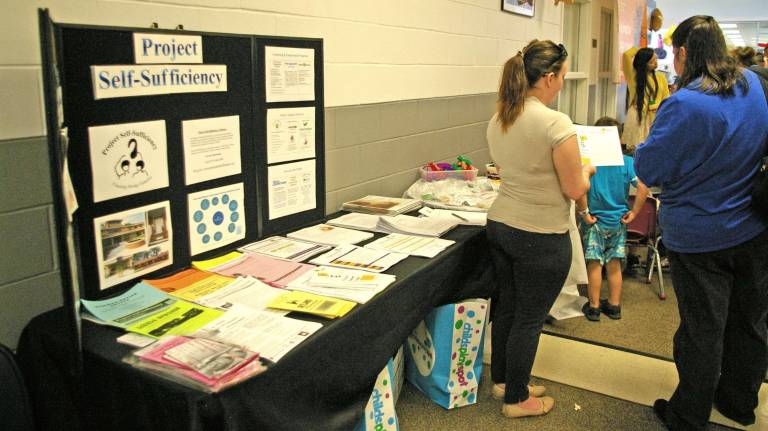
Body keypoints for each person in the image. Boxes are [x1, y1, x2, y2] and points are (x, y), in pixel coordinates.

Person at [633, 16, 768, 430]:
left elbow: (650, 168)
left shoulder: (686, 103)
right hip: (753, 227)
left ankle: (688, 414)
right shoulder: (754, 85)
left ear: (685, 53)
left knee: (702, 330)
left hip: (699, 236)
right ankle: (739, 403)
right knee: (750, 322)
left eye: (673, 53)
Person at [486, 39, 593, 419]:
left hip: (501, 226)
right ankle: (517, 400)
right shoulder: (555, 123)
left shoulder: (501, 117)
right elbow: (574, 188)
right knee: (529, 319)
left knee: (508, 309)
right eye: (562, 75)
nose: (563, 82)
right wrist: (588, 171)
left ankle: (504, 380)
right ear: (548, 77)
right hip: (540, 236)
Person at [577, 116, 650, 322]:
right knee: (614, 264)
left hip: (594, 221)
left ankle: (594, 307)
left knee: (594, 264)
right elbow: (643, 188)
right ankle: (615, 306)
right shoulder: (627, 162)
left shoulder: (588, 164)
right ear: (618, 139)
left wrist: (584, 213)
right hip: (618, 222)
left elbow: (580, 189)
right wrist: (634, 213)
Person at [623, 48, 670, 153]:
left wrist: (657, 108)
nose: (655, 63)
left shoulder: (661, 77)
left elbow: (666, 98)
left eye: (656, 60)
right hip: (637, 117)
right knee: (633, 151)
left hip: (655, 117)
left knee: (653, 151)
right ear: (643, 63)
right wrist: (642, 51)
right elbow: (626, 55)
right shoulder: (633, 76)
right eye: (651, 62)